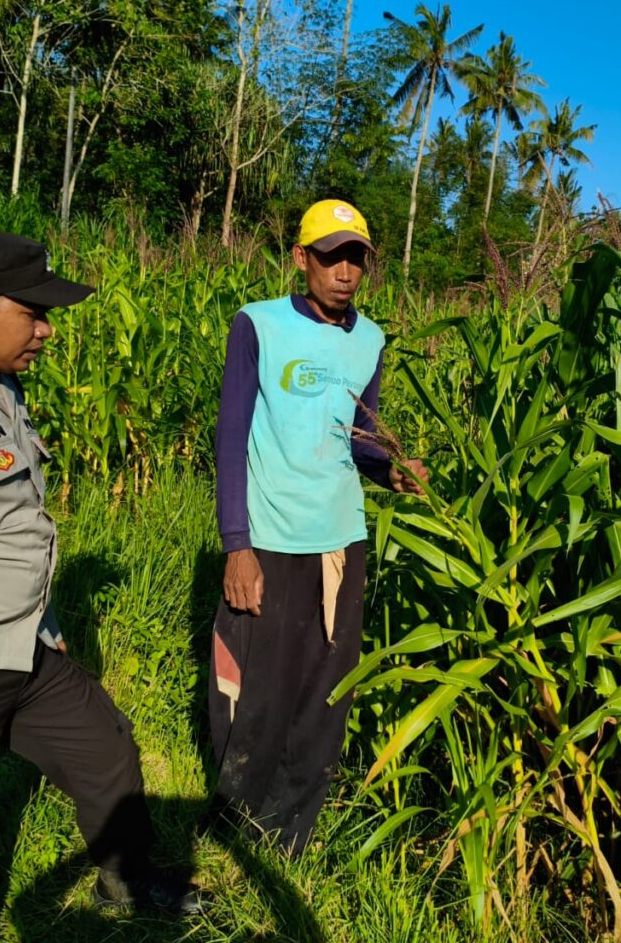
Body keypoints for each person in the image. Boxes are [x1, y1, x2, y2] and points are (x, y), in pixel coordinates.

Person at [0, 232, 201, 942]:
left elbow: (13, 527)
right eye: (33, 312)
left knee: (106, 750)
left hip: (24, 647)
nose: (47, 329)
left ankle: (127, 880)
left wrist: (46, 624)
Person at [210, 199, 429, 855]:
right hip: (270, 540)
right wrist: (236, 545)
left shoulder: (371, 340)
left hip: (340, 542)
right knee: (254, 691)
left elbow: (360, 435)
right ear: (302, 258)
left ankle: (290, 836)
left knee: (322, 696)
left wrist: (388, 466)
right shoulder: (258, 325)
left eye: (356, 257)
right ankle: (233, 827)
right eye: (331, 255)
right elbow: (231, 437)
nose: (344, 271)